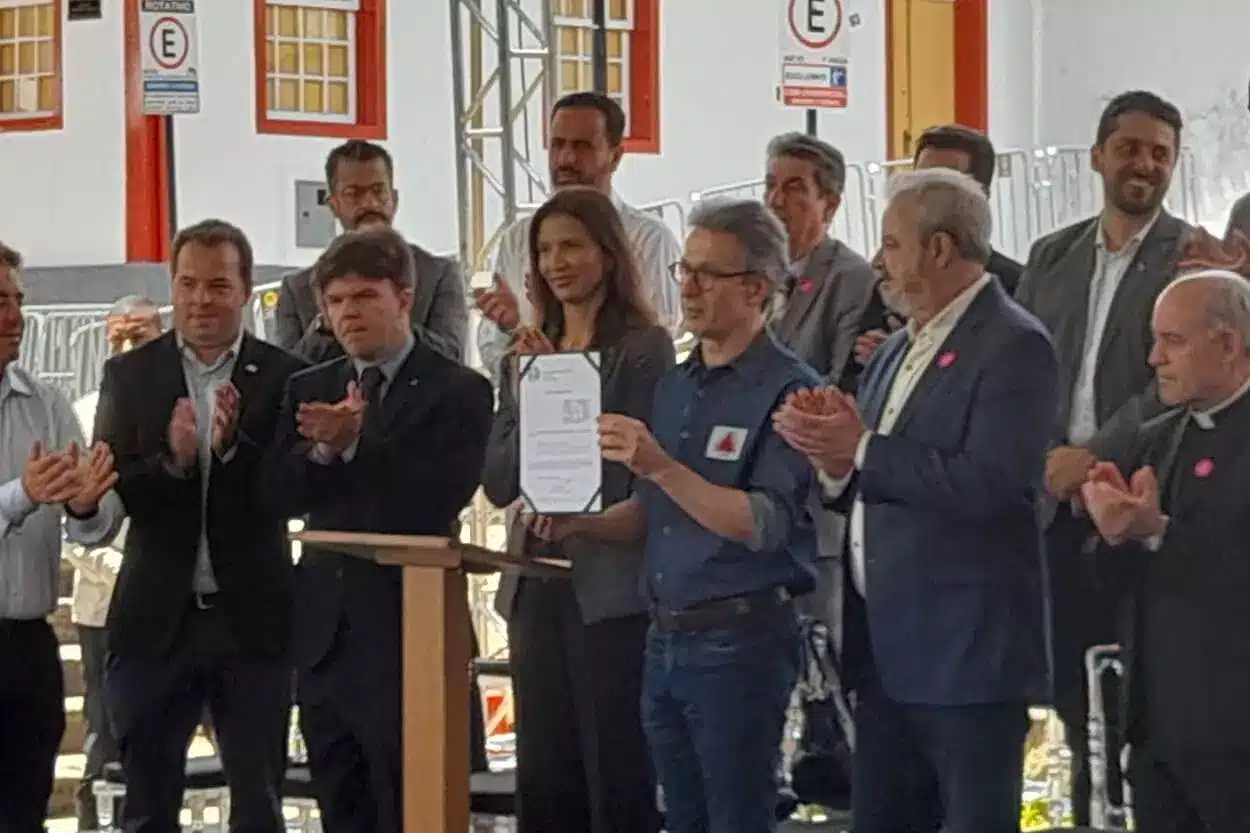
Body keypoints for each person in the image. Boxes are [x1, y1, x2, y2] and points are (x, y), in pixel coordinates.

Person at [774, 167, 1057, 833]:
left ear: (940, 248)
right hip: (886, 653)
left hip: (966, 656)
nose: (879, 261)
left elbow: (992, 484)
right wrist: (833, 461)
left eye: (893, 244)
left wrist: (862, 448)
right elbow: (869, 475)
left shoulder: (1014, 344)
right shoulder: (897, 348)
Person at [536, 198, 819, 833]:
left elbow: (762, 523)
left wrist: (660, 465)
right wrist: (580, 524)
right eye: (683, 270)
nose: (687, 287)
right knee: (681, 817)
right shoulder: (679, 383)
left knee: (737, 816)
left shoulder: (790, 389)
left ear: (757, 288)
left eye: (707, 274)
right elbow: (652, 513)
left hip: (738, 636)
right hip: (664, 634)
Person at [72, 220, 308, 833]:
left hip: (251, 623)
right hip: (155, 624)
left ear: (246, 290)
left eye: (218, 286)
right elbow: (115, 491)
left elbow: (289, 491)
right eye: (187, 284)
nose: (201, 300)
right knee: (147, 809)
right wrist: (173, 462)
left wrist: (231, 450)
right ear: (172, 288)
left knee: (259, 805)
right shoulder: (130, 376)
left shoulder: (285, 375)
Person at [267, 225, 493, 833]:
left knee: (412, 808)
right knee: (342, 807)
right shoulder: (308, 387)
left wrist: (357, 444)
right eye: (336, 301)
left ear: (404, 297)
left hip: (410, 634)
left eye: (365, 296)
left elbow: (435, 497)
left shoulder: (458, 389)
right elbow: (278, 495)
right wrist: (323, 452)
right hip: (326, 640)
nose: (348, 314)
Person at [1013, 90, 1191, 826]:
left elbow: (1171, 384)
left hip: (1135, 496)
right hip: (1050, 506)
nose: (1144, 164)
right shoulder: (1051, 255)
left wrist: (1090, 455)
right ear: (1097, 156)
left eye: (1160, 153)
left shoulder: (1191, 258)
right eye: (1130, 149)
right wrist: (1047, 457)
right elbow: (1019, 364)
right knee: (1065, 692)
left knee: (1134, 698)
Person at [482, 187, 674, 833]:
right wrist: (531, 389)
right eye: (544, 250)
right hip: (535, 579)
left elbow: (629, 469)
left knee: (613, 765)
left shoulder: (643, 346)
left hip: (608, 584)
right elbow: (498, 480)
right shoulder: (525, 352)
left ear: (607, 253)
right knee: (545, 767)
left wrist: (561, 389)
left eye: (571, 246)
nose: (556, 262)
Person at [1081, 269, 1250, 833]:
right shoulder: (1156, 437)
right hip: (1158, 735)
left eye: (1173, 341)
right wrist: (1114, 530)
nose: (1154, 359)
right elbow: (1115, 586)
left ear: (1228, 344)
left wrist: (1159, 532)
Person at [0, 241, 119, 833]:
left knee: (26, 813)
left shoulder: (46, 404)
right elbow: (25, 497)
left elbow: (91, 529)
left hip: (27, 648)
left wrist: (87, 503)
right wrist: (21, 494)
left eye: (18, 301)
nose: (15, 317)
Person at [474, 91, 683, 382]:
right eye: (557, 144)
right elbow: (497, 358)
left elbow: (655, 347)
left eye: (582, 147)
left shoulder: (650, 238)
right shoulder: (518, 238)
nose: (566, 159)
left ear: (615, 156)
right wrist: (512, 328)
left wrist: (557, 368)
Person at [762, 131, 875, 637]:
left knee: (816, 653)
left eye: (794, 189)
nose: (775, 200)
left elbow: (840, 387)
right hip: (755, 504)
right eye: (770, 185)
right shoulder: (755, 274)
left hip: (812, 509)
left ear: (829, 203)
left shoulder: (850, 279)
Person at [65, 295, 163, 831]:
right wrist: (123, 569)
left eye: (139, 336)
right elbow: (68, 517)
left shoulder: (184, 404)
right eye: (118, 338)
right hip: (104, 604)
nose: (127, 347)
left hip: (176, 603)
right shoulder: (82, 414)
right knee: (105, 738)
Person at [851, 123, 1024, 373]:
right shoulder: (892, 272)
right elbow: (853, 367)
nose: (923, 192)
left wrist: (907, 357)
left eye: (942, 182)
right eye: (919, 179)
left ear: (980, 195)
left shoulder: (1014, 288)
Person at [274, 139, 467, 363]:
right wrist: (325, 327)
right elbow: (287, 373)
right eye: (353, 193)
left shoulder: (439, 275)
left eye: (378, 191)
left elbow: (452, 358)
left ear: (394, 199)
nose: (369, 203)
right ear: (333, 205)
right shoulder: (297, 290)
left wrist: (391, 321)